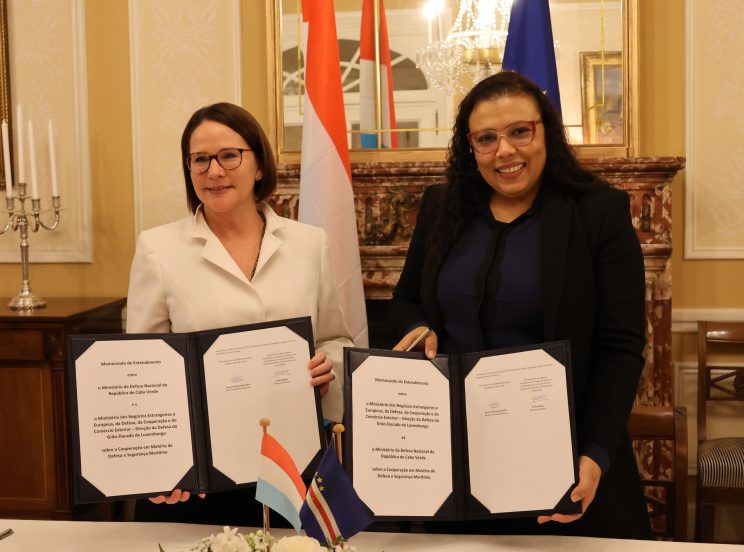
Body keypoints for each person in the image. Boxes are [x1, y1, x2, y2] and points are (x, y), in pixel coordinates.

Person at [388, 72, 651, 539]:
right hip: (456, 455)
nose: (505, 150)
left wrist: (594, 454)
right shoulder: (441, 205)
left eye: (519, 132)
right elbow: (408, 299)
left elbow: (620, 347)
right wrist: (420, 327)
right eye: (486, 138)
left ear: (546, 132)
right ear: (470, 146)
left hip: (564, 454)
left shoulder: (598, 212)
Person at [126, 102, 353, 524]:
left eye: (229, 155)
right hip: (200, 473)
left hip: (294, 463)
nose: (214, 171)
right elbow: (143, 368)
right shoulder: (158, 249)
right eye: (200, 159)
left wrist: (328, 367)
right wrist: (159, 463)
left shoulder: (310, 243)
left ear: (260, 165)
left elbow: (334, 338)